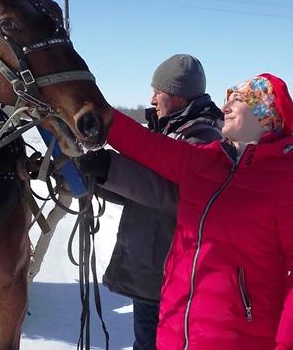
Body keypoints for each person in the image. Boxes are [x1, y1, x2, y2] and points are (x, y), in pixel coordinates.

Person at [100, 73, 293, 350]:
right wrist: (88, 105)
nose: (224, 108)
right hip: (173, 336)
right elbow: (142, 143)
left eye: (238, 100)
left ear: (265, 114)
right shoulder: (204, 161)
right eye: (226, 100)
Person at [79, 54, 223, 350]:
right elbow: (138, 190)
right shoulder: (165, 130)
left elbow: (174, 195)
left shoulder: (201, 137)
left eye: (160, 92)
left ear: (179, 96)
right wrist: (95, 177)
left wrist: (112, 169)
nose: (152, 98)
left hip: (169, 271)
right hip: (150, 268)